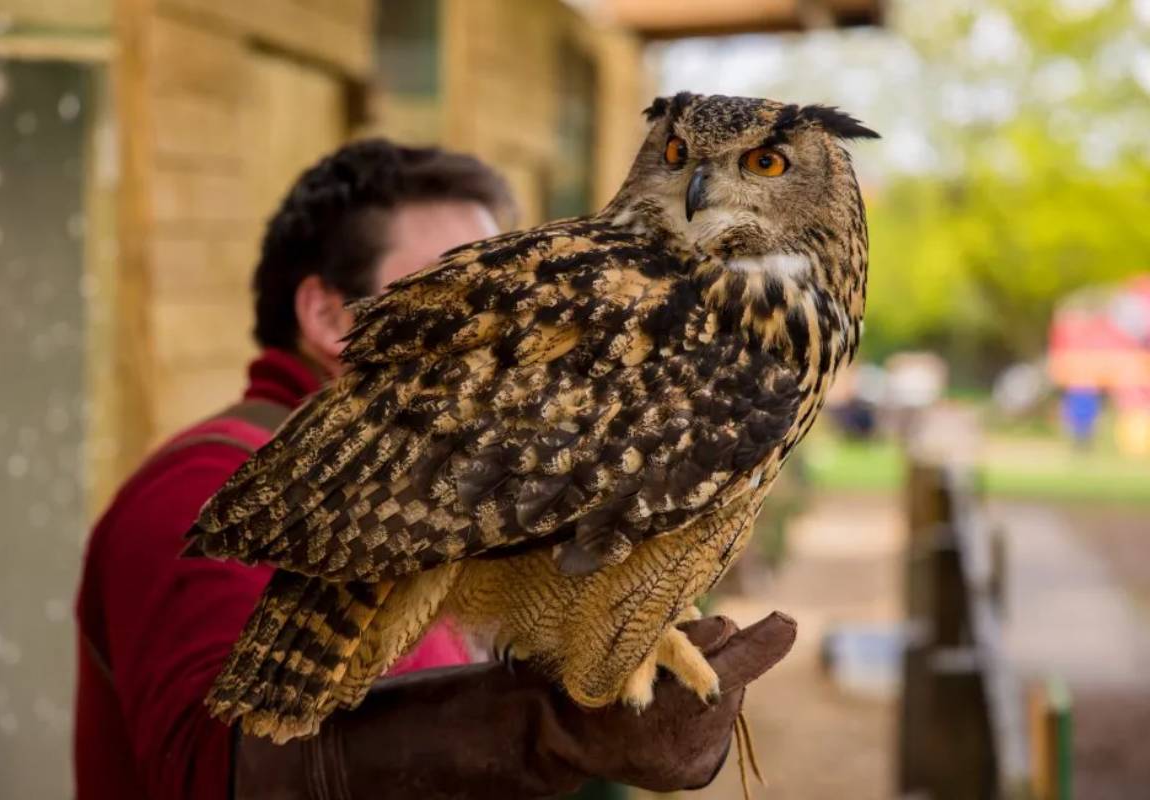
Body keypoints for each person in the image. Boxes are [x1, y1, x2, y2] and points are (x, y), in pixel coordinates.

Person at [74, 140, 796, 800]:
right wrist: (541, 737)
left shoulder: (459, 479)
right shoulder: (200, 485)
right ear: (330, 317)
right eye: (458, 291)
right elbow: (213, 770)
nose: (522, 312)